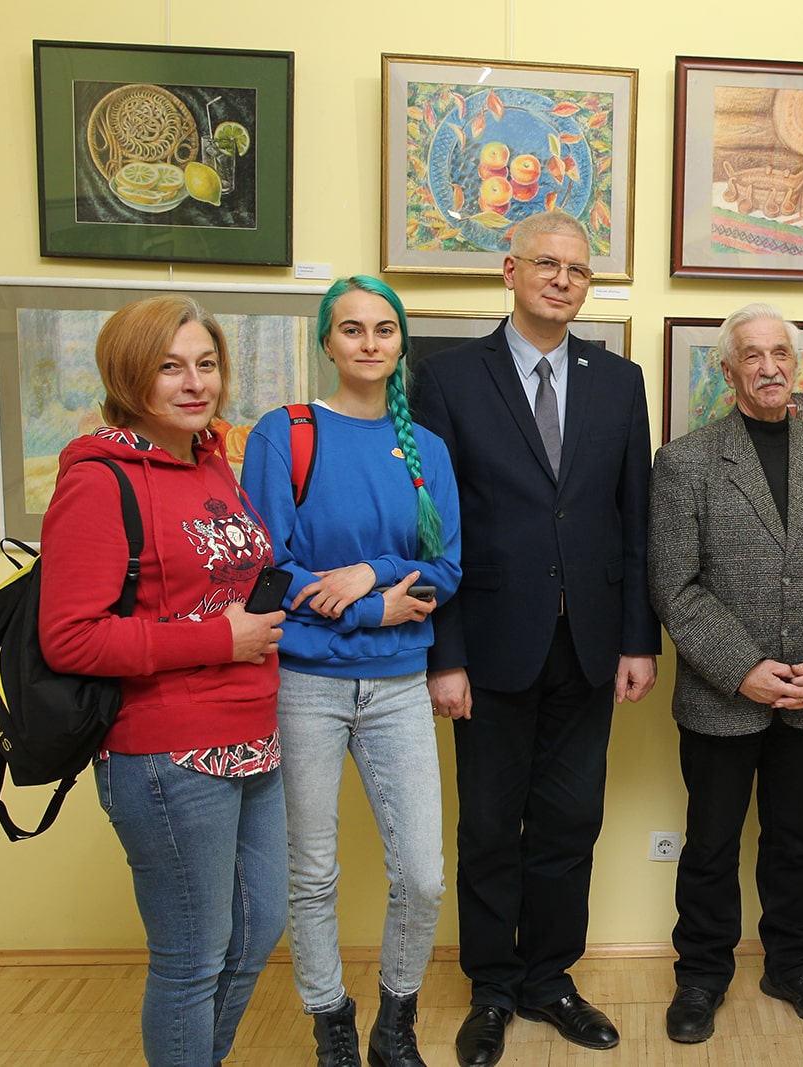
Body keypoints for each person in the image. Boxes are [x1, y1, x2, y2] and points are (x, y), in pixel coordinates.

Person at [410, 210, 661, 1066]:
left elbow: (634, 519)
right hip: (487, 647)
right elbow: (432, 529)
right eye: (547, 264)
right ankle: (491, 987)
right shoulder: (447, 378)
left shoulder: (619, 381)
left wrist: (638, 640)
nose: (562, 279)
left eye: (578, 270)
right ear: (509, 271)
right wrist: (443, 654)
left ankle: (550, 978)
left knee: (568, 822)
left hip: (589, 644)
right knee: (488, 825)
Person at [39, 295, 287, 1067]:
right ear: (129, 375)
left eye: (206, 364)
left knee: (256, 930)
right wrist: (221, 637)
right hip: (167, 751)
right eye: (170, 366)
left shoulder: (210, 461)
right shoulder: (99, 478)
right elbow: (71, 636)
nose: (195, 382)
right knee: (192, 956)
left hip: (252, 734)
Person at [242, 276, 463, 1067]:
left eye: (384, 329)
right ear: (327, 344)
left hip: (399, 685)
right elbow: (266, 571)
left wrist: (373, 571)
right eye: (352, 329)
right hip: (306, 684)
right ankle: (330, 1020)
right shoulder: (285, 434)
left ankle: (394, 1024)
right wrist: (373, 608)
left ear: (401, 343)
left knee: (423, 874)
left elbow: (446, 570)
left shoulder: (425, 448)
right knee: (312, 869)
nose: (370, 343)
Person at [647, 303, 803, 1045]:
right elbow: (674, 586)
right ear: (729, 370)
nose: (769, 366)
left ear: (796, 364)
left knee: (796, 839)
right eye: (752, 355)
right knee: (711, 843)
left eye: (780, 352)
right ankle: (701, 975)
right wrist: (742, 667)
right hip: (721, 697)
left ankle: (794, 965)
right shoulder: (685, 462)